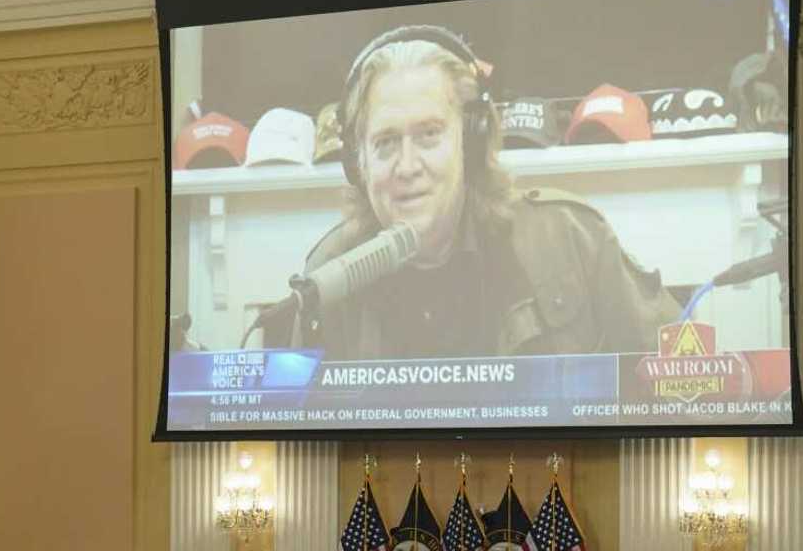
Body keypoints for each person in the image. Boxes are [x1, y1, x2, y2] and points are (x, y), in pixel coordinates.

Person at [289, 25, 680, 359]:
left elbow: (688, 387)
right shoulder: (328, 278)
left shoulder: (570, 239)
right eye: (386, 142)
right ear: (359, 164)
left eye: (429, 135)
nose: (407, 166)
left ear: (471, 143)